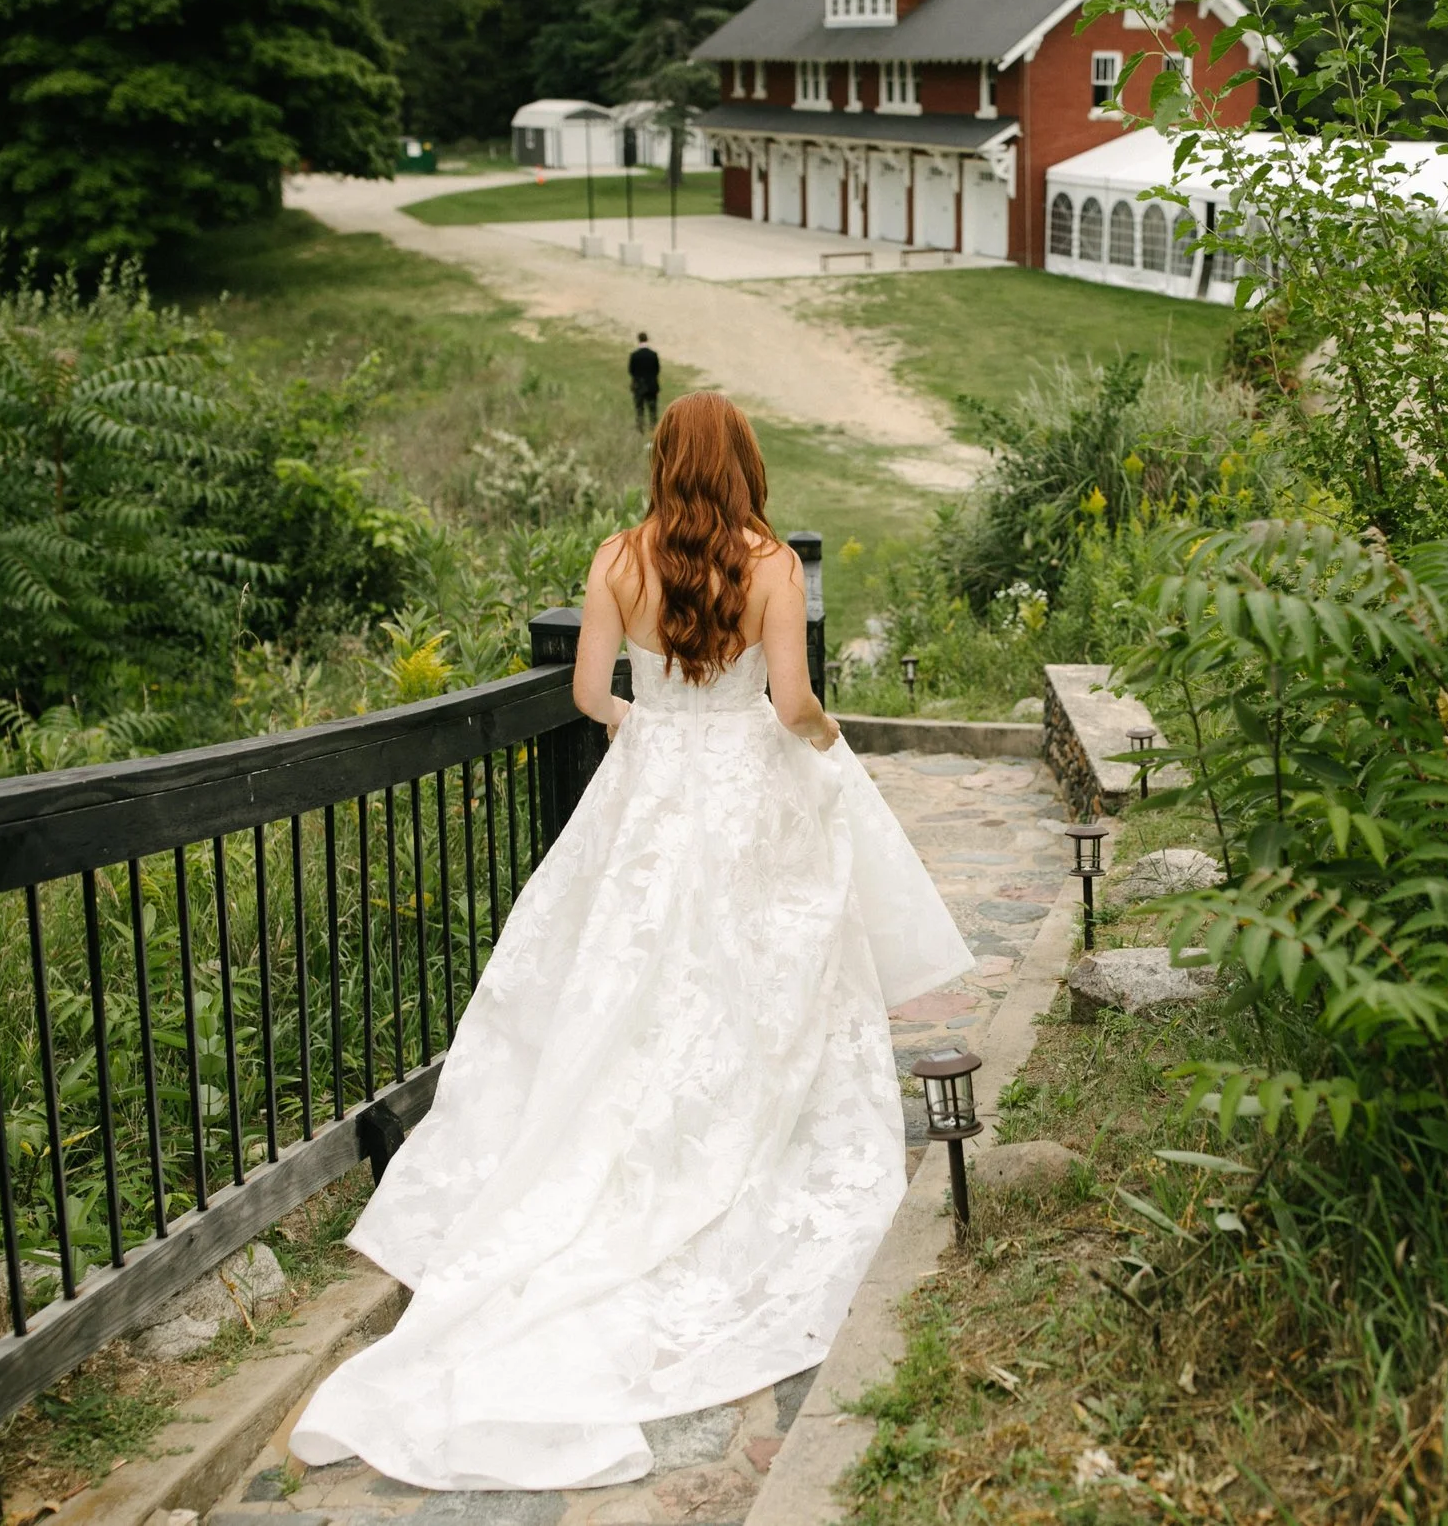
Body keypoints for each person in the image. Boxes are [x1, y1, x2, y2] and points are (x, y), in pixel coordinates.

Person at [289, 392, 969, 1490]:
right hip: (747, 786)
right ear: (745, 462)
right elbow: (792, 699)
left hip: (649, 789)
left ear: (664, 460)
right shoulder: (772, 565)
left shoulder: (615, 557)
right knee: (754, 979)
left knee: (624, 974)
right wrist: (826, 739)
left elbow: (582, 689)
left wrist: (641, 727)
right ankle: (740, 1136)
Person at [628, 333, 660, 433]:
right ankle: (654, 429)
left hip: (638, 386)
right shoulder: (653, 354)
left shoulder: (634, 355)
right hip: (651, 385)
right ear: (647, 339)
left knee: (639, 409)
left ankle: (640, 428)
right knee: (652, 409)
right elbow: (657, 370)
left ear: (639, 340)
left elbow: (631, 371)